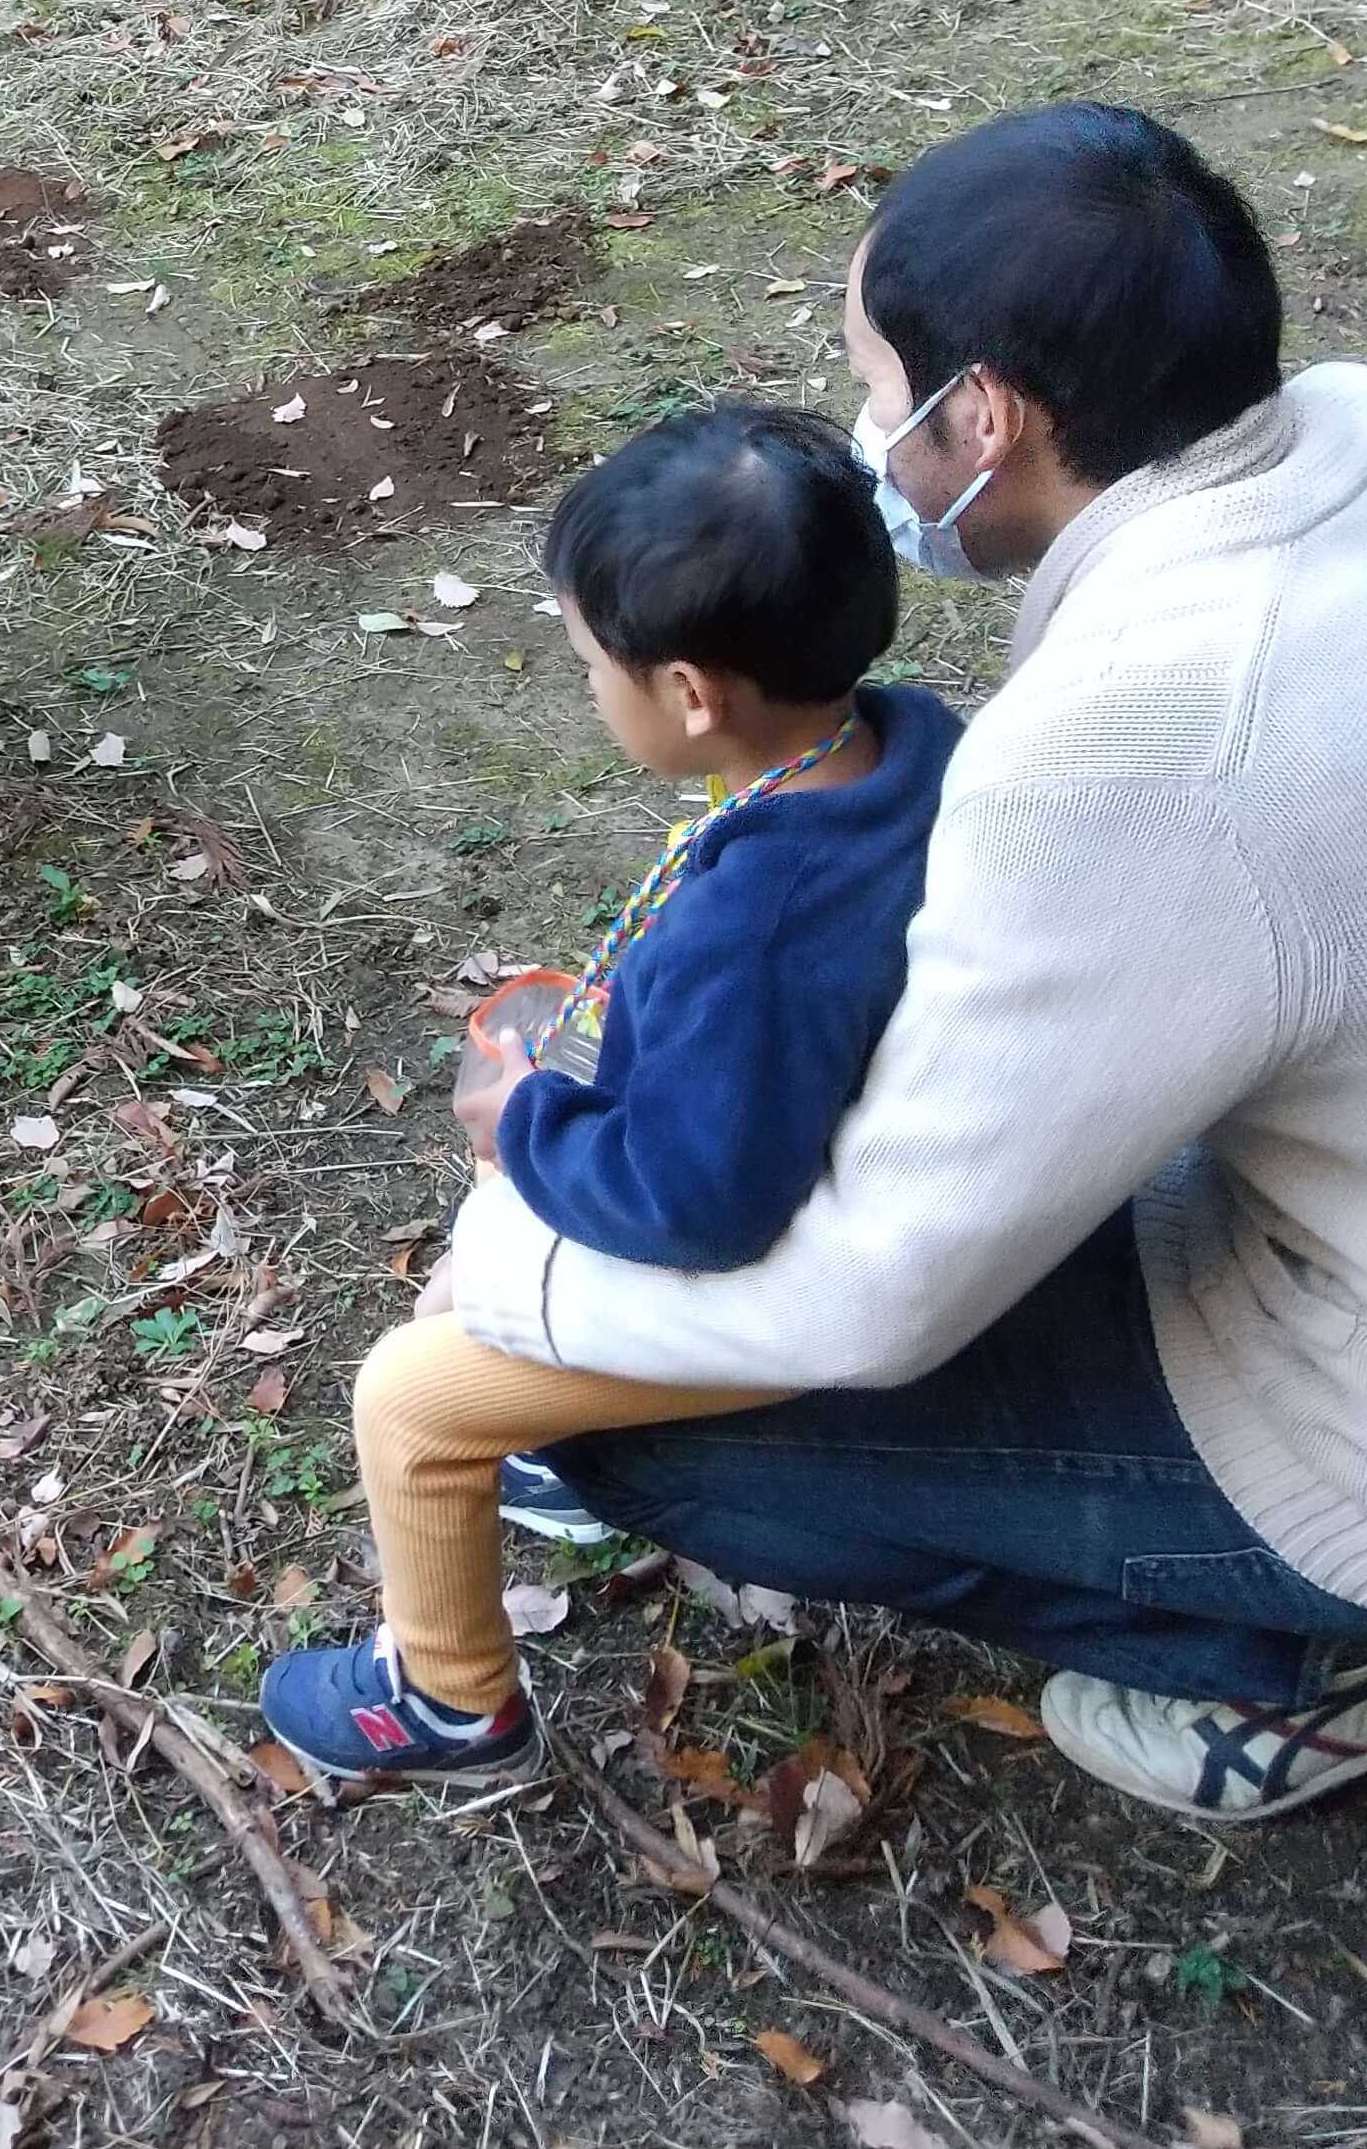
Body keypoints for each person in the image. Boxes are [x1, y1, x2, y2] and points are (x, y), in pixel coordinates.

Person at [446, 104, 1367, 1821]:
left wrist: (512, 1268)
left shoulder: (1141, 746)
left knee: (605, 1423)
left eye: (882, 396)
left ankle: (1333, 1656)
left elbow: (880, 1289)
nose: (877, 439)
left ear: (986, 417)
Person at [262, 408, 961, 1782]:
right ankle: (550, 1441)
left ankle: (450, 1696)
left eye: (590, 662)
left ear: (693, 694)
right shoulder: (899, 750)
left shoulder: (759, 927)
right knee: (495, 1219)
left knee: (408, 1389)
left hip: (760, 1262)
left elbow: (695, 1204)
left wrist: (523, 1122)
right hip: (809, 1167)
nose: (584, 684)